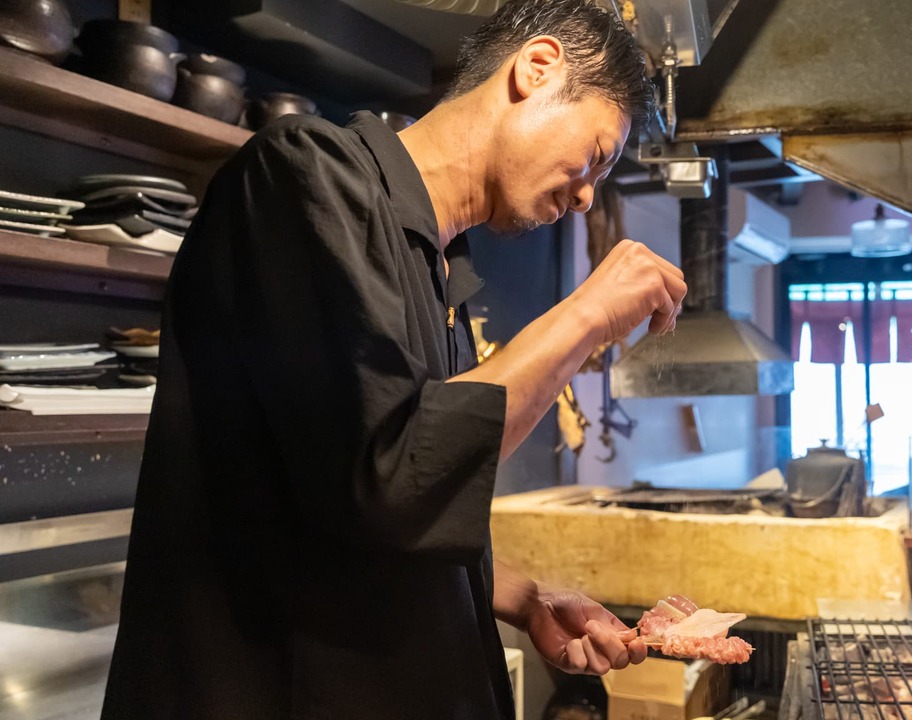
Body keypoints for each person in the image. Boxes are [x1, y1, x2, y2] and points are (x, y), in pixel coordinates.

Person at [100, 1, 686, 717]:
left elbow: (359, 501)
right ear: (537, 69)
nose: (588, 193)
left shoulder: (443, 270)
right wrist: (588, 311)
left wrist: (524, 596)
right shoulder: (305, 178)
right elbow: (390, 473)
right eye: (595, 154)